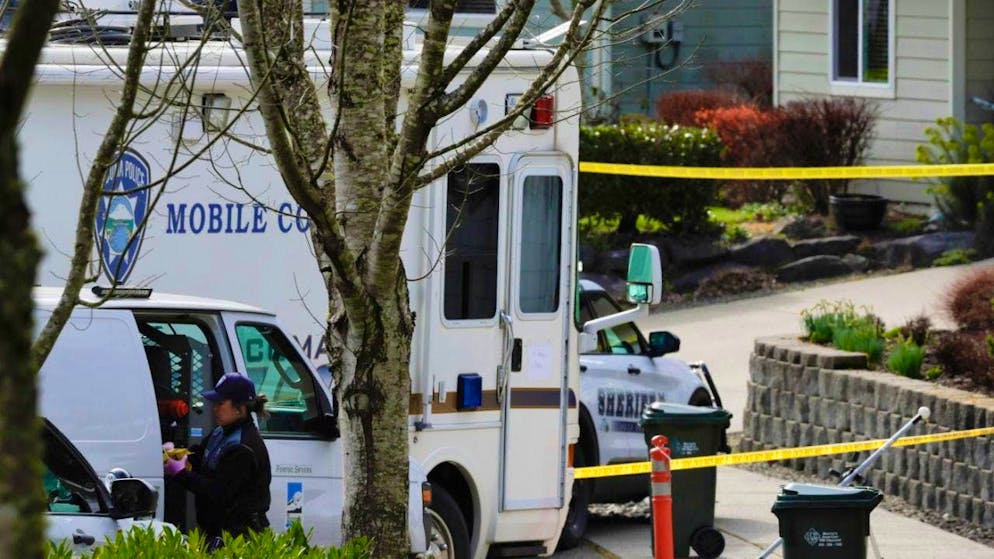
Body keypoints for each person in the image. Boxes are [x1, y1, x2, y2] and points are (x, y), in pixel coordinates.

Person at [164, 373, 272, 546]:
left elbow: (218, 492)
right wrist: (177, 454)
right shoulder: (221, 432)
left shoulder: (244, 445)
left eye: (220, 403)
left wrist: (181, 473)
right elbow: (200, 457)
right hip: (217, 532)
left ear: (239, 408)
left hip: (239, 536)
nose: (214, 408)